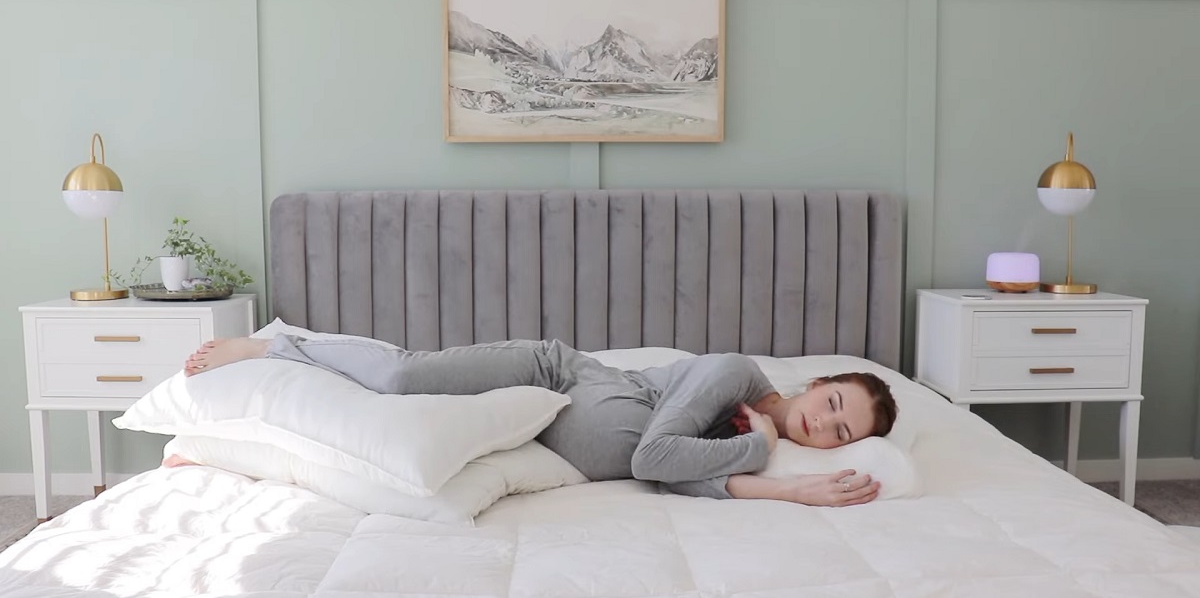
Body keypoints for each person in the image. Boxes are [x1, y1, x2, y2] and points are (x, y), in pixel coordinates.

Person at [176, 335, 898, 507]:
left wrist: (790, 490)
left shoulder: (755, 442)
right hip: (549, 373)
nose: (822, 426)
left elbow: (688, 476)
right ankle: (278, 344)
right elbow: (653, 458)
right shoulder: (734, 376)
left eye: (841, 432)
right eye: (832, 404)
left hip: (550, 441)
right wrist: (763, 446)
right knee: (397, 378)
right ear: (822, 381)